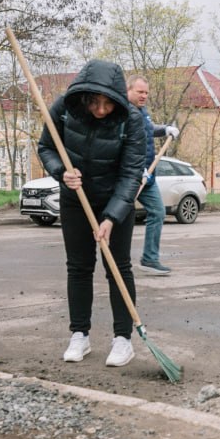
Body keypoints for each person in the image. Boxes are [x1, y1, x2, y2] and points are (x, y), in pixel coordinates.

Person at [38, 60, 147, 367]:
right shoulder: (64, 108)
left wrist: (112, 217)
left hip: (115, 199)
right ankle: (79, 335)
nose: (101, 110)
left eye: (108, 104)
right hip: (76, 197)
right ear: (84, 97)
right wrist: (62, 172)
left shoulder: (132, 119)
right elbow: (45, 147)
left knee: (117, 267)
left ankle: (123, 339)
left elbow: (130, 174)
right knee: (79, 267)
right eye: (95, 103)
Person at [126, 75, 179, 276]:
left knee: (158, 212)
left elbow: (148, 130)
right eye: (140, 92)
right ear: (128, 90)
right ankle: (113, 258)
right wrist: (135, 170)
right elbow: (122, 146)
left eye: (146, 92)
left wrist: (165, 129)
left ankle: (149, 258)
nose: (144, 96)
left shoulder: (142, 112)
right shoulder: (124, 113)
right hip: (130, 175)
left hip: (148, 175)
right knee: (120, 217)